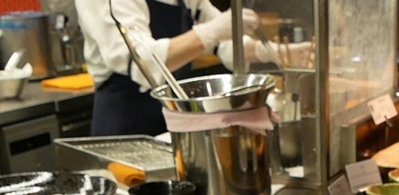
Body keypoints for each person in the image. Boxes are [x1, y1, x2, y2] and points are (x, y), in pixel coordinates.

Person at [75, 0, 308, 136]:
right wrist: (210, 32)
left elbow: (225, 43)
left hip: (175, 120)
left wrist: (280, 52)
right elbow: (142, 63)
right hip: (126, 123)